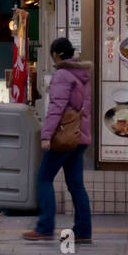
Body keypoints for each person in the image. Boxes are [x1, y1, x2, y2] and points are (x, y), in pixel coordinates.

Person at [24, 38, 93, 243]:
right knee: (76, 185)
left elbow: (57, 107)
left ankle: (45, 227)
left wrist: (46, 136)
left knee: (43, 178)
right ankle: (83, 231)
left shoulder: (62, 75)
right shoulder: (83, 74)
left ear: (57, 54)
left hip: (63, 137)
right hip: (79, 136)